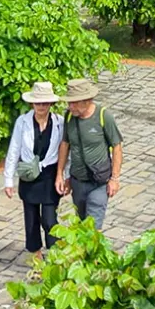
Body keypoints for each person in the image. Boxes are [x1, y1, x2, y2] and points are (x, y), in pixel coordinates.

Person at [3, 81, 64, 257]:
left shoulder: (59, 123)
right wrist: (8, 180)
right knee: (31, 219)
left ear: (51, 104)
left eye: (45, 103)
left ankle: (54, 256)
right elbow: (14, 149)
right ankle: (36, 257)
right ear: (32, 103)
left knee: (49, 219)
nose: (41, 107)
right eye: (38, 103)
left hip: (49, 175)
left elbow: (63, 150)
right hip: (29, 174)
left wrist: (63, 175)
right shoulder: (23, 122)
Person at [54, 78, 122, 230]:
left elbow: (117, 147)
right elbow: (65, 144)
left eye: (74, 103)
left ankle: (91, 253)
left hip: (99, 182)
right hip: (77, 182)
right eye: (69, 103)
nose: (70, 106)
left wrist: (115, 178)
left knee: (92, 228)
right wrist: (60, 174)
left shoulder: (104, 116)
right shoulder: (69, 117)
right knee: (81, 224)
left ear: (87, 100)